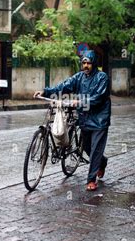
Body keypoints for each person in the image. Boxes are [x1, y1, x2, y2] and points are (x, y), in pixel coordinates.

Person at [34, 50, 110, 191]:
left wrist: (79, 102)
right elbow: (63, 86)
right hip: (85, 119)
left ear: (94, 64)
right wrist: (46, 91)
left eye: (89, 63)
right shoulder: (79, 77)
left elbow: (99, 98)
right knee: (86, 148)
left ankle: (91, 180)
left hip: (99, 120)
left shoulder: (102, 77)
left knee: (95, 150)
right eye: (84, 63)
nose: (86, 65)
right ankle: (102, 162)